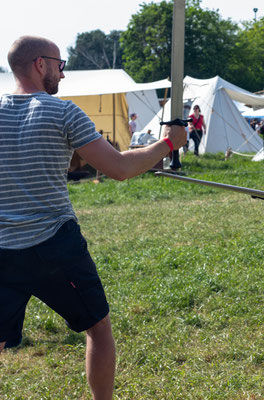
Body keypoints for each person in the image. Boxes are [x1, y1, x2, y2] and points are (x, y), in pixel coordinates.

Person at [0, 36, 187, 400]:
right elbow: (118, 168)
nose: (63, 74)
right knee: (98, 328)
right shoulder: (63, 112)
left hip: (2, 248)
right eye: (60, 65)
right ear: (41, 64)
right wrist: (168, 144)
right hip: (55, 244)